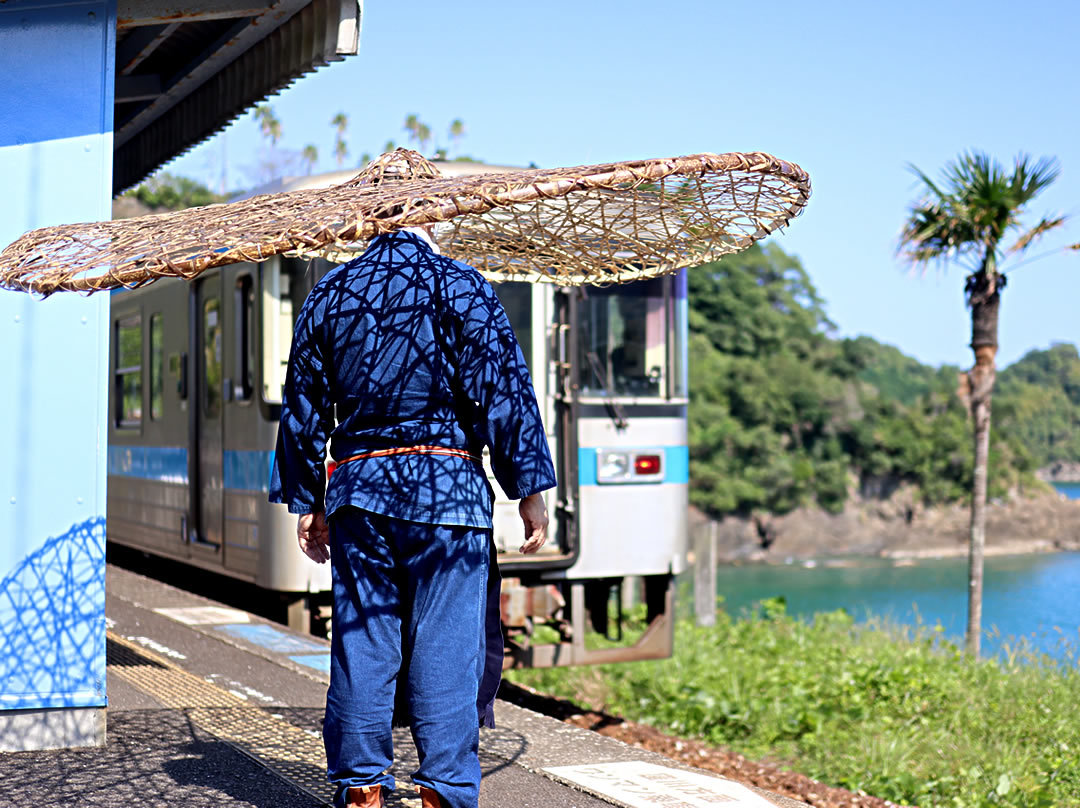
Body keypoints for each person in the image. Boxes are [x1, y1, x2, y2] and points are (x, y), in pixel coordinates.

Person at [269, 224, 557, 808]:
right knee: (447, 643)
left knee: (362, 639)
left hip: (360, 491)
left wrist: (308, 501)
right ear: (434, 223)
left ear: (367, 226)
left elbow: (301, 404)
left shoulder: (330, 293)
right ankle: (444, 789)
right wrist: (527, 486)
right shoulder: (462, 286)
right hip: (447, 492)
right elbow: (505, 389)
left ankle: (362, 786)